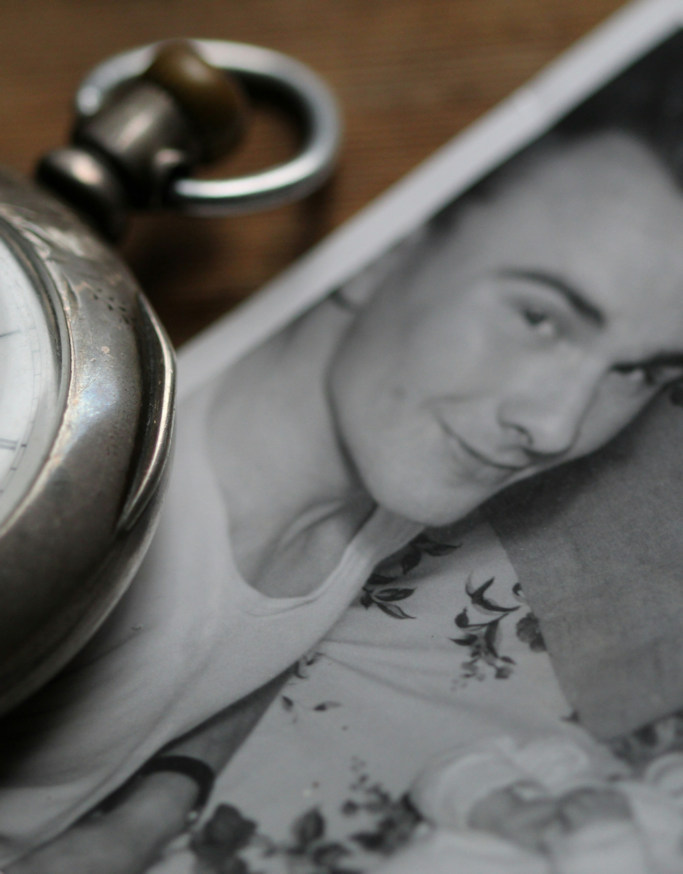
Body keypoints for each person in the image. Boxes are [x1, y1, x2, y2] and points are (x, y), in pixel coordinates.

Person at [4, 113, 683, 872]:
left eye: (639, 371)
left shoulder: (406, 463)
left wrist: (149, 814)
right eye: (539, 318)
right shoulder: (90, 505)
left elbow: (246, 645)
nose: (556, 427)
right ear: (380, 249)